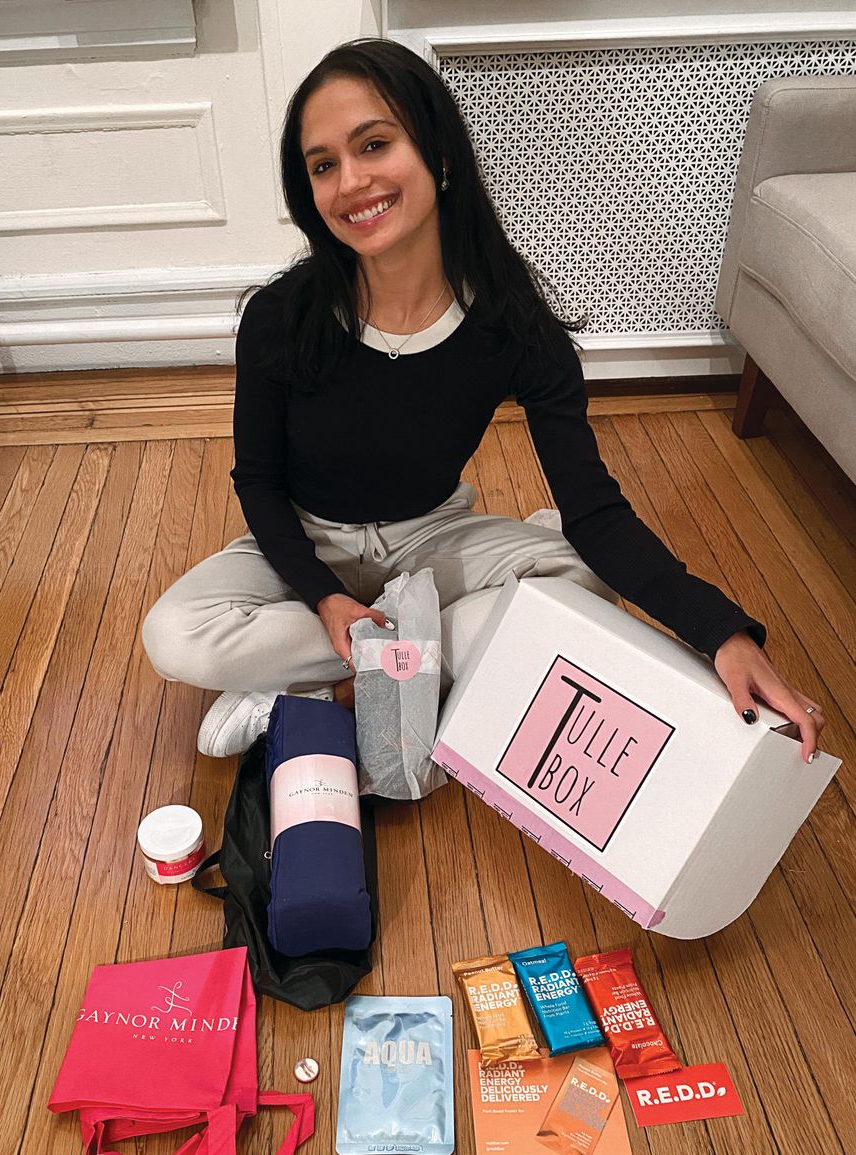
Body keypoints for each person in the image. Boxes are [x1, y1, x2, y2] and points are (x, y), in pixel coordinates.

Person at [142, 38, 825, 765]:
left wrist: (721, 631)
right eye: (323, 165)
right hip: (307, 538)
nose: (350, 181)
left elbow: (594, 510)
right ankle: (397, 667)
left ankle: (315, 691)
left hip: (429, 537)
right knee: (175, 633)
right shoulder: (280, 317)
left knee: (584, 579)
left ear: (439, 156)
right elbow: (259, 481)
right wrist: (321, 595)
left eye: (374, 144)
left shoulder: (511, 323)